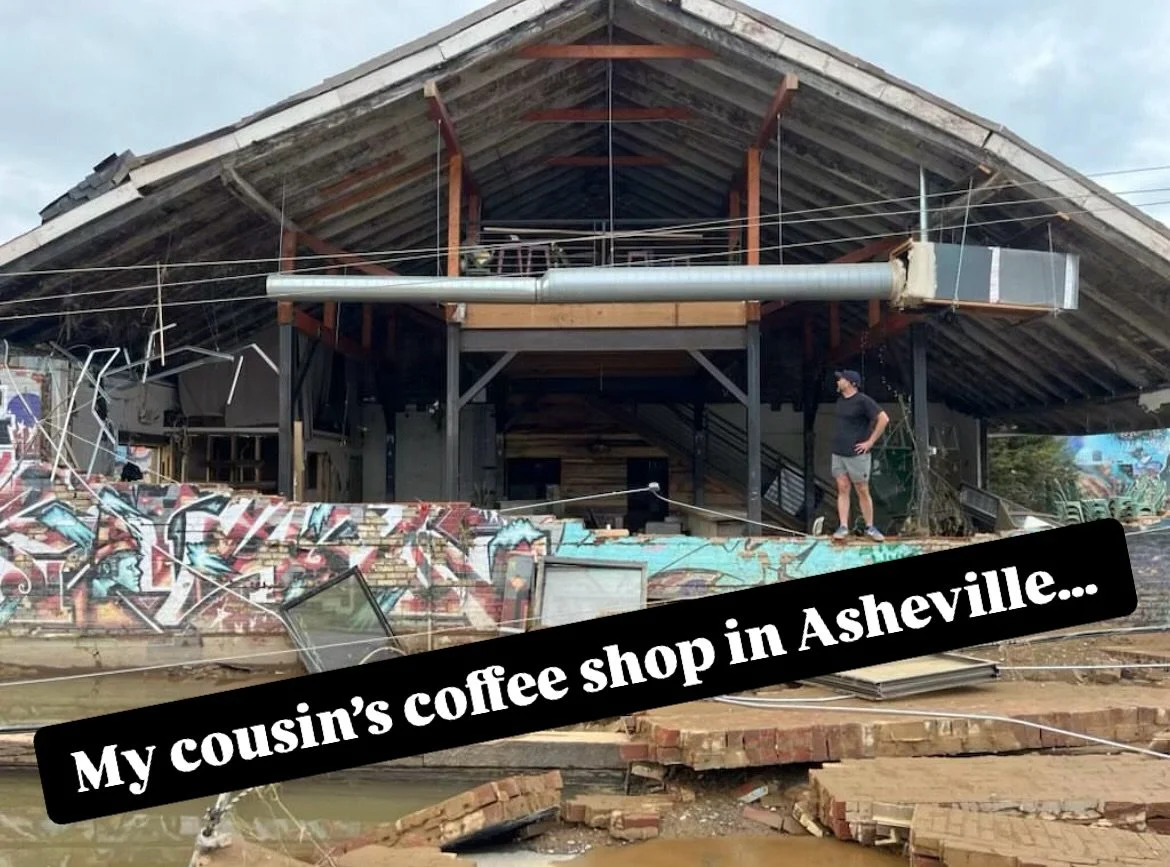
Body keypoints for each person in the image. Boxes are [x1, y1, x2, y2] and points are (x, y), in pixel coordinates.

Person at [830, 370, 890, 541]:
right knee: (842, 487)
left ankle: (870, 527)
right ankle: (843, 526)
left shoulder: (863, 401)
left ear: (851, 383)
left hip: (856, 454)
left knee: (862, 489)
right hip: (838, 452)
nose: (838, 381)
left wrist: (870, 442)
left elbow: (883, 418)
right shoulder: (840, 401)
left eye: (841, 379)